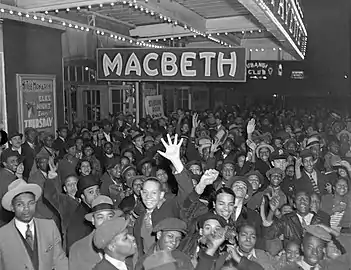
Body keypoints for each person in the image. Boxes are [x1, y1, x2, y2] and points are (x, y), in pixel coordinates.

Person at [0, 179, 68, 270]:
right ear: (12, 207)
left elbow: (60, 260)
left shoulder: (49, 226)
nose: (26, 209)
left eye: (31, 203)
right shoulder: (2, 235)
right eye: (20, 204)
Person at [69, 195, 123, 270]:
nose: (106, 222)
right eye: (100, 217)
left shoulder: (126, 244)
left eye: (110, 216)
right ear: (93, 220)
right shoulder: (78, 249)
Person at [66, 174, 100, 252]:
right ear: (83, 196)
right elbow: (73, 250)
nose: (96, 195)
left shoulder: (97, 210)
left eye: (97, 191)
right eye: (91, 192)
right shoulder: (80, 219)